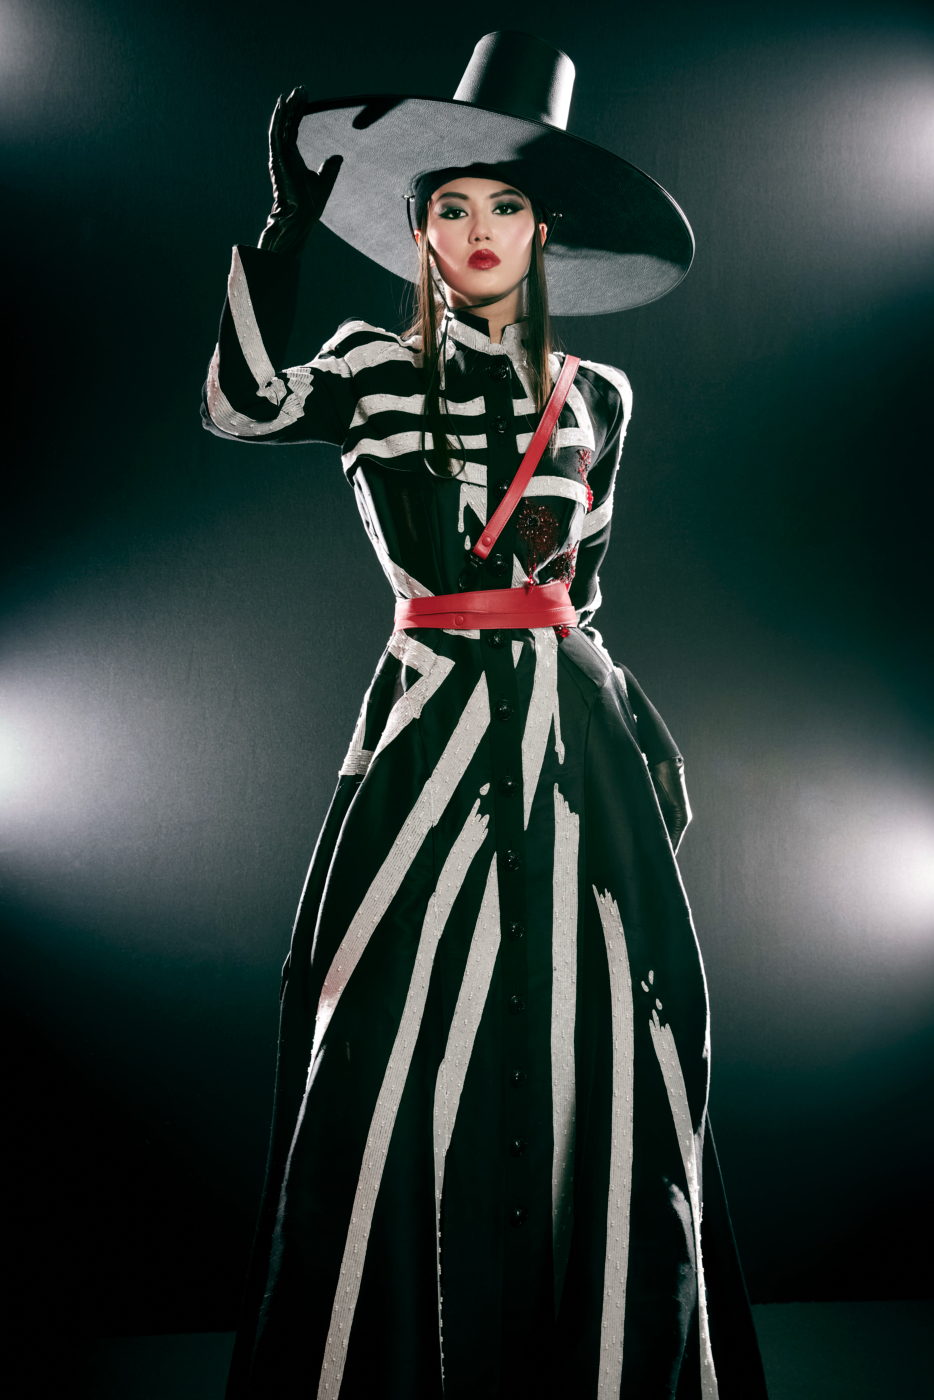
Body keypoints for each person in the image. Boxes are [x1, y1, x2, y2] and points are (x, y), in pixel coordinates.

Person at [203, 30, 768, 1400]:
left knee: (603, 1034)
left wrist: (630, 727)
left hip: (570, 736)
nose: (475, 231)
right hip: (426, 725)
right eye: (448, 207)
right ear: (419, 231)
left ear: (540, 231)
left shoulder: (598, 399)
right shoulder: (367, 367)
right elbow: (239, 406)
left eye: (502, 206)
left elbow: (586, 592)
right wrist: (282, 233)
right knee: (393, 1030)